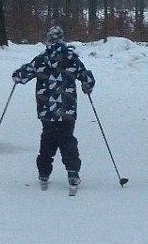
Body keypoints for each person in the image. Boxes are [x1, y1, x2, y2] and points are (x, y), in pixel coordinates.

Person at [12, 26, 95, 188]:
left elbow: (23, 75)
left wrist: (17, 75)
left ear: (48, 40)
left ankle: (44, 171)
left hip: (46, 107)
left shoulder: (41, 59)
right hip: (67, 107)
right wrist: (87, 85)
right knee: (67, 138)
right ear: (63, 39)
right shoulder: (71, 58)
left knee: (48, 138)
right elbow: (86, 77)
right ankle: (72, 171)